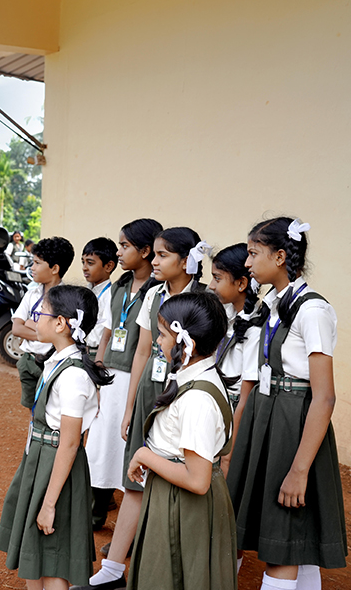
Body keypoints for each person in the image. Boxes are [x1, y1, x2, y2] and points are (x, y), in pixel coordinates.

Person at [227, 217, 347, 590]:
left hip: (292, 428)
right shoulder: (274, 306)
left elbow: (324, 396)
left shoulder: (312, 311)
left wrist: (298, 470)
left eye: (253, 253)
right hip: (266, 417)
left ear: (280, 256)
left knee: (285, 538)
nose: (247, 262)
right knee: (294, 540)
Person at [87, 226, 207, 589]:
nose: (154, 261)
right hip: (149, 391)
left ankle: (165, 568)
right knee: (135, 478)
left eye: (162, 255)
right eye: (153, 254)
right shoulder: (153, 294)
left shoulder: (204, 299)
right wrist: (129, 408)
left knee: (174, 475)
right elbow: (142, 351)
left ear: (186, 261)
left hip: (182, 392)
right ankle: (112, 569)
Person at [0, 285, 114, 589]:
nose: (34, 319)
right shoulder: (57, 361)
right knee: (35, 555)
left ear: (61, 323)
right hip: (40, 461)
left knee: (51, 561)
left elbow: (70, 443)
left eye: (41, 313)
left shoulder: (73, 375)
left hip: (56, 468)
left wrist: (49, 504)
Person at [126, 292, 237, 590]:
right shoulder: (195, 376)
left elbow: (197, 481)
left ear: (187, 343)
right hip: (172, 498)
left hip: (181, 505)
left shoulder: (197, 399)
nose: (157, 341)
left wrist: (145, 456)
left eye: (163, 335)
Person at [85, 220, 162, 537]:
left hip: (137, 377)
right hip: (111, 377)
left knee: (127, 444)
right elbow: (106, 333)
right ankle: (96, 509)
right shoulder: (117, 288)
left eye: (125, 246)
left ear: (145, 251)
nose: (119, 252)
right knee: (101, 445)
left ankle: (130, 529)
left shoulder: (156, 291)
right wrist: (98, 371)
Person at [208, 244, 264, 479]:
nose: (211, 285)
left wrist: (229, 453)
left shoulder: (255, 328)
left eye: (217, 278)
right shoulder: (226, 315)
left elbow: (245, 396)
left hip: (234, 416)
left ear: (241, 284)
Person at [11, 236, 76, 409]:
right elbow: (16, 328)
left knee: (50, 409)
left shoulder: (67, 300)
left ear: (55, 268)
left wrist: (30, 324)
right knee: (32, 408)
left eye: (37, 263)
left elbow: (65, 335)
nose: (32, 268)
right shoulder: (31, 294)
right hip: (28, 360)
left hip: (52, 362)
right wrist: (47, 333)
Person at [80, 237, 118, 360]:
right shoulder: (84, 292)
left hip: (96, 354)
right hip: (81, 351)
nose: (84, 267)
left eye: (90, 263)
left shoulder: (111, 296)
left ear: (108, 266)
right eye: (83, 262)